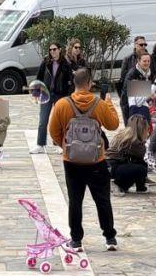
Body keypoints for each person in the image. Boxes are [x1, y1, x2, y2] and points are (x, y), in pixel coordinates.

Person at [47, 68, 120, 251]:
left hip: (71, 161)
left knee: (75, 200)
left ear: (74, 83)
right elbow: (113, 125)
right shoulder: (99, 104)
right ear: (89, 84)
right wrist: (109, 103)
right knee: (102, 199)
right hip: (96, 160)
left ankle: (76, 240)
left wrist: (64, 145)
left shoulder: (63, 104)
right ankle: (110, 237)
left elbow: (53, 131)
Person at [31, 42, 73, 154]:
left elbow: (70, 81)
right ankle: (40, 144)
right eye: (50, 50)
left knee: (59, 121)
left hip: (60, 94)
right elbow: (38, 78)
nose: (52, 52)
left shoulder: (65, 63)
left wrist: (69, 96)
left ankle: (58, 144)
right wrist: (36, 94)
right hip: (46, 93)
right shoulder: (46, 62)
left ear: (59, 50)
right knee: (43, 120)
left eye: (54, 49)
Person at [107, 114, 150, 194]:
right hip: (114, 169)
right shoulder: (133, 140)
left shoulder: (124, 134)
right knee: (142, 167)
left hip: (109, 167)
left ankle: (139, 187)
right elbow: (143, 155)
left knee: (140, 163)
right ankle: (121, 185)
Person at [118, 36, 149, 120]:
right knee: (131, 126)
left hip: (145, 99)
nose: (143, 47)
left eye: (145, 45)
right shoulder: (127, 59)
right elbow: (124, 82)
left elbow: (152, 77)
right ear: (135, 45)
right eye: (141, 44)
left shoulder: (148, 58)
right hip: (129, 100)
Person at [121, 53, 153, 124]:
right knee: (133, 129)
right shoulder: (133, 74)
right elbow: (131, 94)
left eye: (148, 61)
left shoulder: (149, 72)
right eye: (144, 61)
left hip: (143, 105)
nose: (147, 63)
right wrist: (151, 89)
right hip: (130, 106)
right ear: (138, 61)